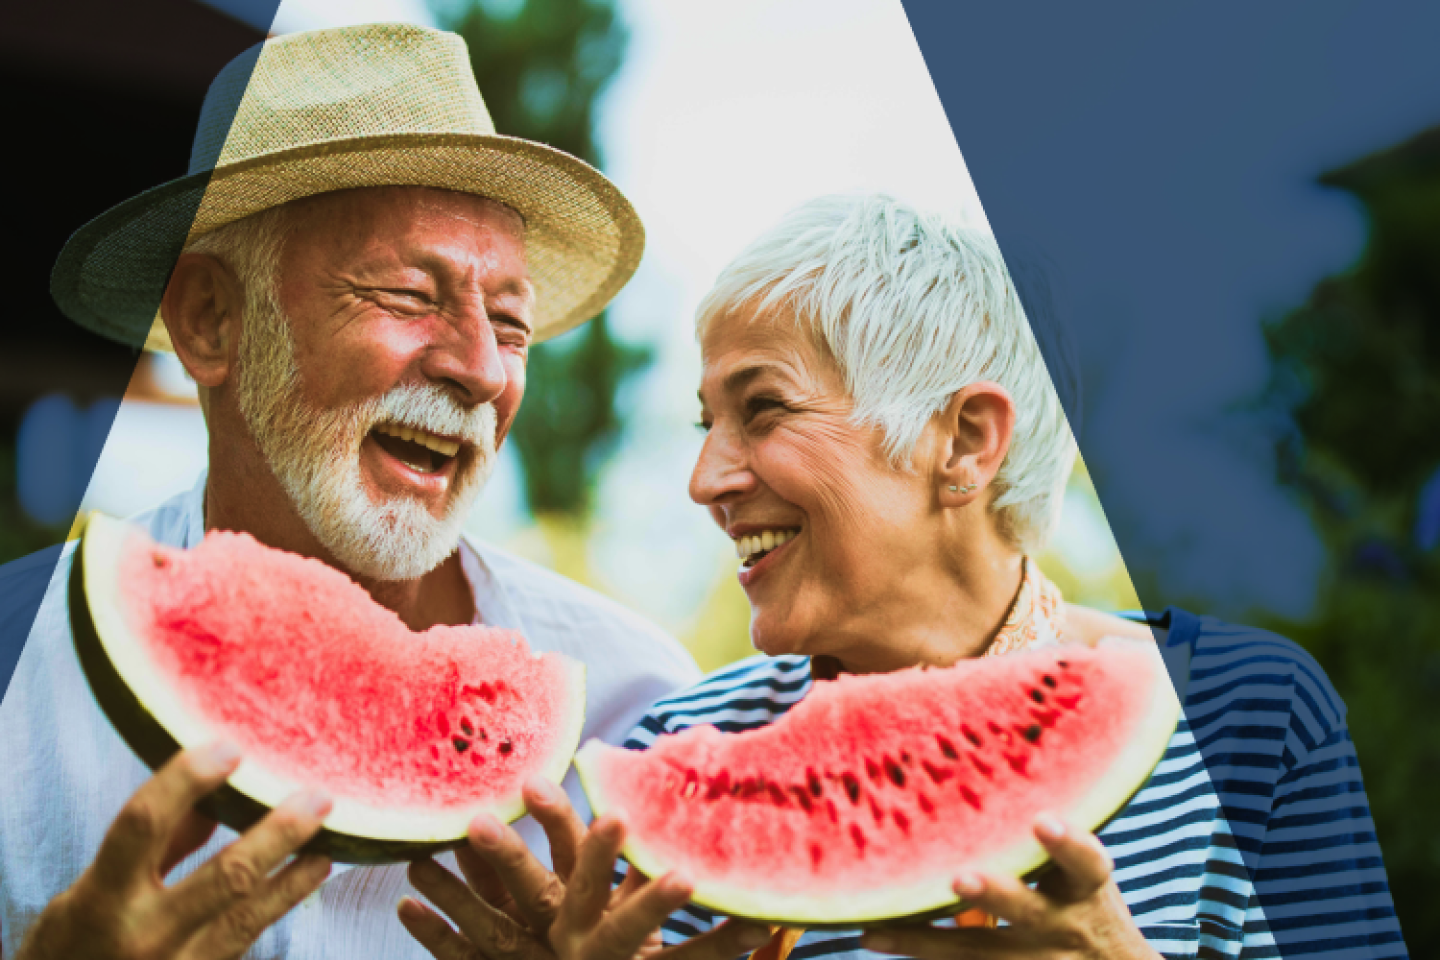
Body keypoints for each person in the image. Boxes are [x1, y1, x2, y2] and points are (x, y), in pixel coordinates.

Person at [404, 195, 1408, 960]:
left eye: (763, 410)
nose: (705, 480)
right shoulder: (676, 745)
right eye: (706, 424)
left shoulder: (1250, 715)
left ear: (965, 440)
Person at [0, 23, 717, 960]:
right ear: (210, 320)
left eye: (511, 324)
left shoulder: (645, 710)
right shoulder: (18, 663)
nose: (481, 370)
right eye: (409, 295)